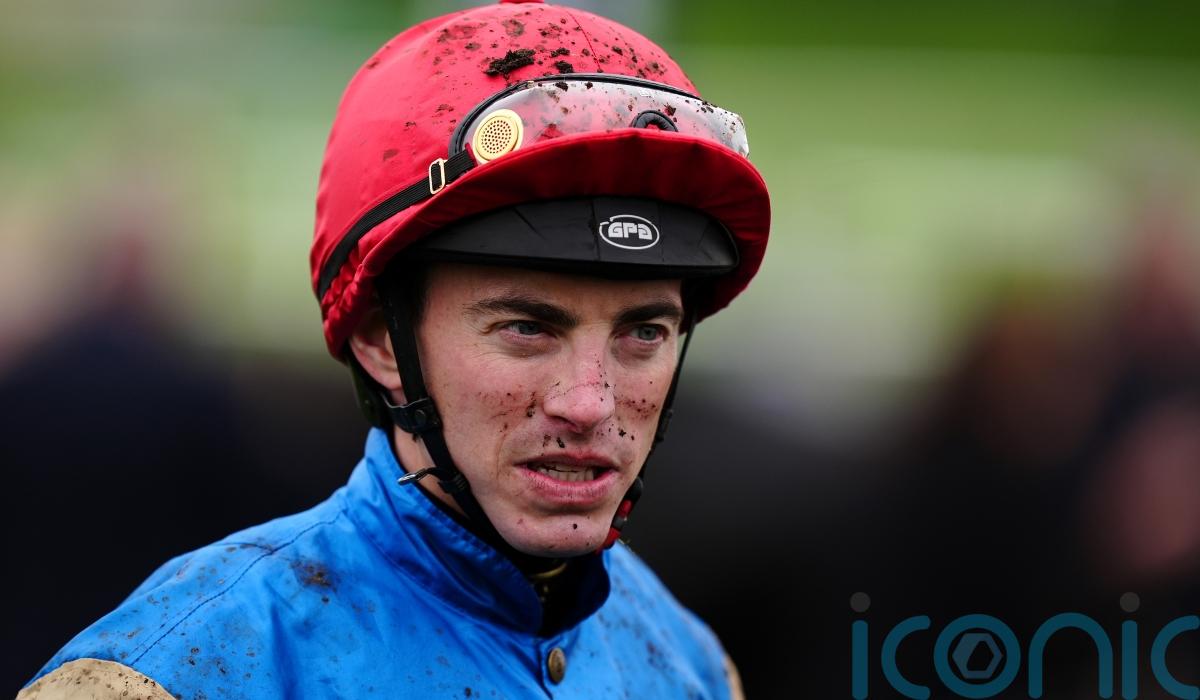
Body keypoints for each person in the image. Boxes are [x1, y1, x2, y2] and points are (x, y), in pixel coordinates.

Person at [18, 0, 771, 697]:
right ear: (381, 340)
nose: (588, 403)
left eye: (644, 333)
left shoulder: (691, 664)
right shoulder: (173, 672)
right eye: (527, 329)